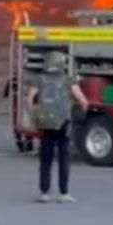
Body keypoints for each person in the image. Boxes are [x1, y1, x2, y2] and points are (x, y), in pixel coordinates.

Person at [25, 52, 90, 204]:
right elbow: (83, 101)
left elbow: (29, 99)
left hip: (46, 123)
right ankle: (64, 193)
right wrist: (80, 116)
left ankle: (44, 193)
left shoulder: (39, 79)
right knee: (64, 159)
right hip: (64, 123)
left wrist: (35, 116)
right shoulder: (68, 80)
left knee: (45, 159)